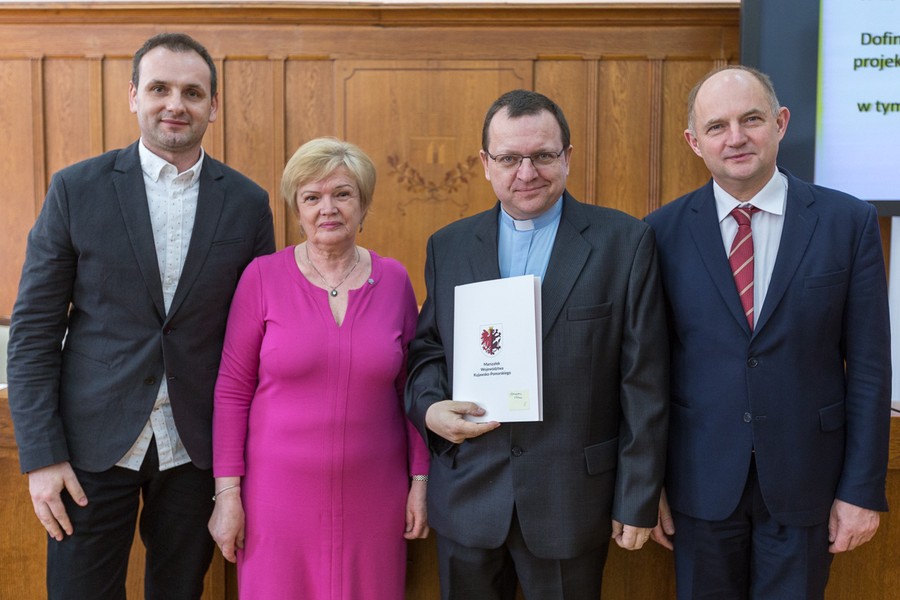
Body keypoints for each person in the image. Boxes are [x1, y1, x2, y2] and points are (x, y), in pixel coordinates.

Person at [5, 32, 275, 600]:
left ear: (213, 106)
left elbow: (256, 337)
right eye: (159, 88)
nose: (175, 104)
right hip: (87, 449)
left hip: (197, 449)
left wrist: (240, 466)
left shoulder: (248, 203)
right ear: (134, 96)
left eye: (192, 92)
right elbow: (32, 333)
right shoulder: (76, 190)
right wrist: (42, 456)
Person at [405, 89, 669, 599]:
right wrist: (430, 409)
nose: (526, 173)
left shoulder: (625, 243)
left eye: (543, 156)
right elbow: (430, 350)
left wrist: (637, 497)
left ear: (567, 157)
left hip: (571, 501)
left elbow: (646, 381)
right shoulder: (450, 245)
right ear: (485, 164)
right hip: (468, 495)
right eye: (508, 158)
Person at [645, 65, 891, 599]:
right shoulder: (659, 233)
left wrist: (862, 491)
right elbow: (648, 371)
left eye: (751, 119)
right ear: (694, 142)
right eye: (717, 126)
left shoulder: (846, 222)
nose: (735, 137)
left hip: (809, 485)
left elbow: (871, 370)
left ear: (780, 123)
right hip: (698, 484)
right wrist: (648, 487)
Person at [208, 137, 430, 599]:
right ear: (297, 209)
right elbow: (232, 391)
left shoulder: (394, 280)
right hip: (276, 501)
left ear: (363, 204)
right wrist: (227, 495)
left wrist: (420, 481)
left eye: (342, 194)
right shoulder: (262, 277)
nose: (327, 208)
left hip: (376, 499)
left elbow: (415, 389)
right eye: (312, 197)